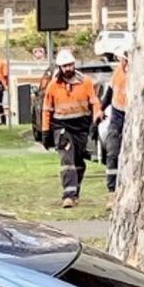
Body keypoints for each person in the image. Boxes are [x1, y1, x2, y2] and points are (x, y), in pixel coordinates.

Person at [39, 49, 102, 208]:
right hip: (62, 128)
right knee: (67, 161)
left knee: (79, 162)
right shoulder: (53, 86)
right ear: (60, 67)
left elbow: (94, 103)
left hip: (81, 127)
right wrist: (45, 132)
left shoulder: (85, 82)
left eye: (70, 65)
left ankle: (75, 192)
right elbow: (47, 109)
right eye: (65, 66)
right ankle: (68, 196)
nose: (68, 69)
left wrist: (96, 120)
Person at [98, 48, 129, 186]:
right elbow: (110, 92)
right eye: (122, 60)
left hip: (131, 116)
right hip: (117, 116)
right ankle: (112, 189)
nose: (122, 63)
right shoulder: (118, 72)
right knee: (112, 153)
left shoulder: (138, 74)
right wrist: (100, 110)